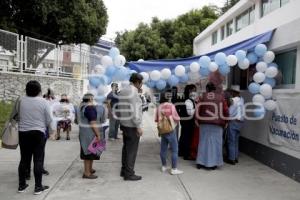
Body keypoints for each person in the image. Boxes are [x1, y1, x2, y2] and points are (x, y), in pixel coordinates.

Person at [17, 80, 52, 195]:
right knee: (38, 159)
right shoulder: (43, 102)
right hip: (38, 133)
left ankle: (21, 185)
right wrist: (51, 131)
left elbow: (15, 115)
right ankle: (38, 187)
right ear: (39, 90)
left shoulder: (20, 100)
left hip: (23, 133)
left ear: (26, 90)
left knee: (24, 160)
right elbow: (48, 119)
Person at [196, 82, 229, 170]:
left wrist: (196, 119)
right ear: (215, 89)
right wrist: (226, 121)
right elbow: (226, 110)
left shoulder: (202, 97)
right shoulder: (221, 97)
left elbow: (197, 108)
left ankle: (200, 162)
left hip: (204, 123)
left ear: (207, 89)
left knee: (203, 142)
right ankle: (213, 163)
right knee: (216, 143)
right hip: (217, 124)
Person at [118, 73, 143, 181]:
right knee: (131, 150)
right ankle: (129, 173)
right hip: (132, 125)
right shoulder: (133, 92)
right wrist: (138, 126)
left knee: (126, 149)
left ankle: (124, 170)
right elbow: (135, 110)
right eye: (141, 83)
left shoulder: (123, 90)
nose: (141, 85)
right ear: (137, 82)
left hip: (124, 123)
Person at [155, 91, 183, 175]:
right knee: (175, 149)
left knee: (163, 149)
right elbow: (177, 118)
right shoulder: (171, 106)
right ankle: (174, 168)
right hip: (170, 130)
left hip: (162, 130)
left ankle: (164, 166)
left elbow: (156, 119)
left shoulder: (159, 107)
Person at [78, 93, 102, 179]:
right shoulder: (89, 108)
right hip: (90, 133)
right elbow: (93, 122)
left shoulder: (81, 107)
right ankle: (87, 173)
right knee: (88, 153)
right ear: (91, 99)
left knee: (91, 151)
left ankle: (90, 169)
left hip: (83, 133)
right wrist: (98, 134)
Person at [226, 85, 245, 165]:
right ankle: (236, 157)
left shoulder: (232, 100)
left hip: (233, 121)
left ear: (233, 92)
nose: (230, 93)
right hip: (240, 122)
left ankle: (231, 158)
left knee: (231, 140)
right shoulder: (242, 99)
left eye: (231, 92)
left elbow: (229, 112)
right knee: (236, 141)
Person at [178, 84, 197, 160]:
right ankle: (186, 154)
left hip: (185, 121)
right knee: (187, 137)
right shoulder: (188, 100)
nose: (195, 92)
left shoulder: (185, 98)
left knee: (184, 136)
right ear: (190, 91)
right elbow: (190, 112)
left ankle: (181, 152)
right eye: (194, 90)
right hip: (188, 121)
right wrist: (197, 108)